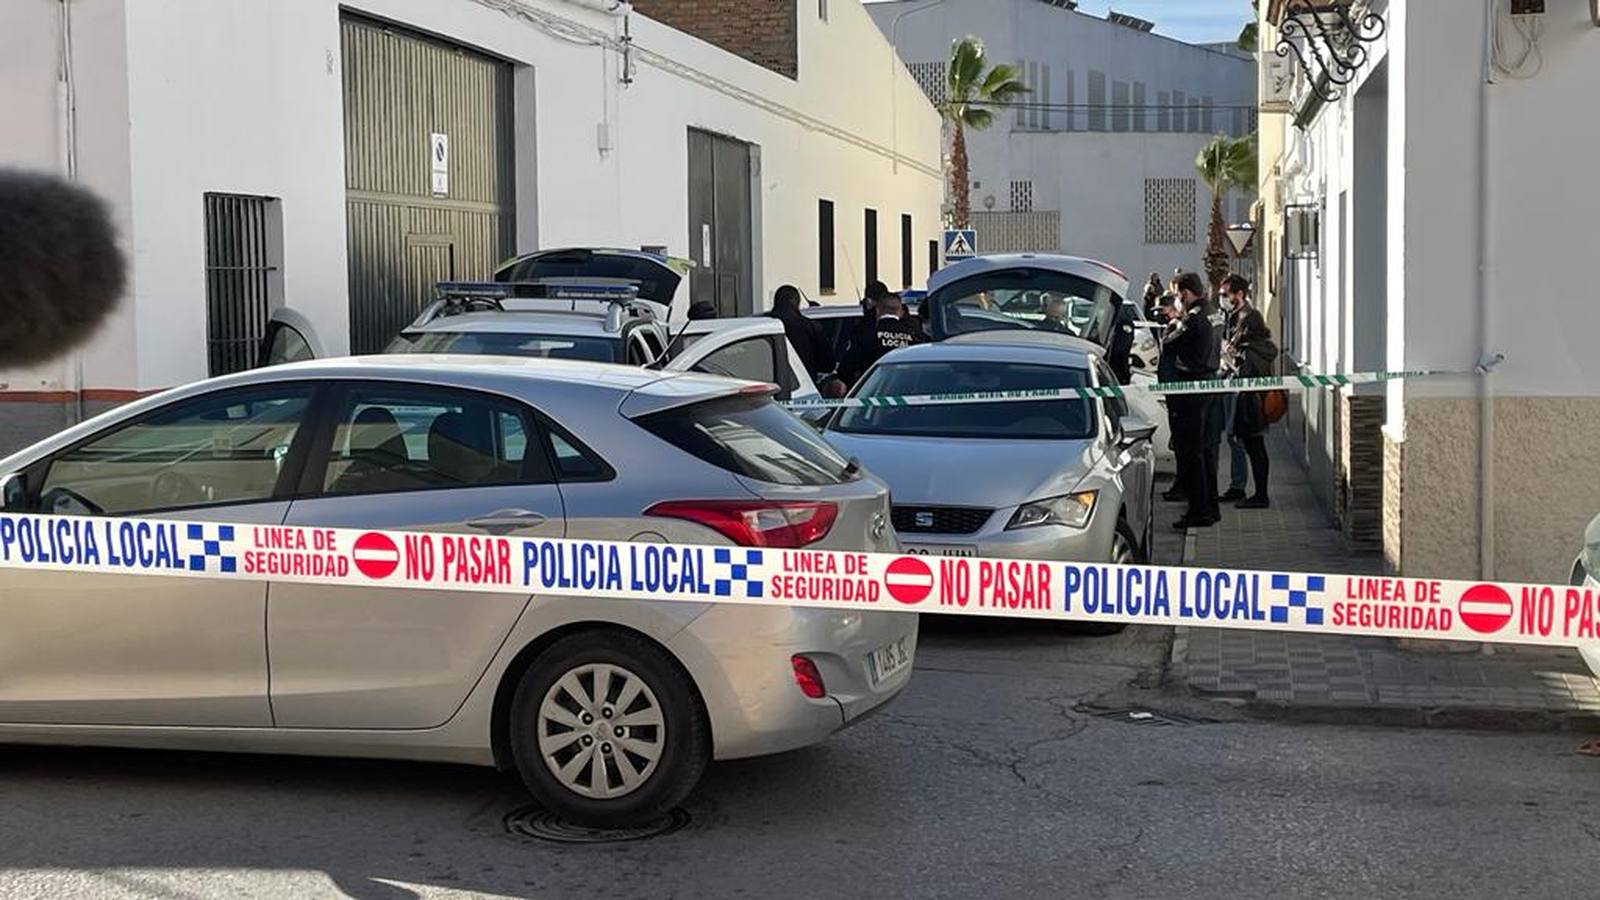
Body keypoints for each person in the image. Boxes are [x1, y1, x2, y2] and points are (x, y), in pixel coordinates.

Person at [1166, 272, 1221, 530]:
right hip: (1211, 386)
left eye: (1179, 294)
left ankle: (1199, 510)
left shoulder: (1195, 317)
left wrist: (1174, 324)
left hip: (1193, 389)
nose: (1178, 299)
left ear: (1186, 293)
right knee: (1208, 451)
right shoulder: (1214, 312)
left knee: (1191, 453)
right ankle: (1212, 507)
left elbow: (1170, 343)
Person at [1222, 274, 1276, 509]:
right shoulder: (1254, 346)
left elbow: (1247, 375)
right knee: (1253, 447)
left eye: (1226, 294)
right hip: (1250, 401)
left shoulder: (1254, 350)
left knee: (1255, 447)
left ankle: (1261, 495)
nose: (1223, 299)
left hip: (1251, 403)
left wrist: (1232, 360)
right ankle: (1253, 491)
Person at [837, 291, 928, 386]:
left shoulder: (865, 335)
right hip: (908, 389)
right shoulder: (915, 336)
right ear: (900, 311)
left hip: (874, 390)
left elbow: (846, 369)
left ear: (877, 310)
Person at [768, 284, 834, 378]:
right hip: (803, 384)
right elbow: (828, 365)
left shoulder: (763, 327)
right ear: (795, 302)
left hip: (768, 385)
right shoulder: (811, 327)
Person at [1107, 299, 1137, 385]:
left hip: (1117, 357)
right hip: (1115, 356)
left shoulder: (1124, 323)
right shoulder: (1124, 323)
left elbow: (1123, 344)